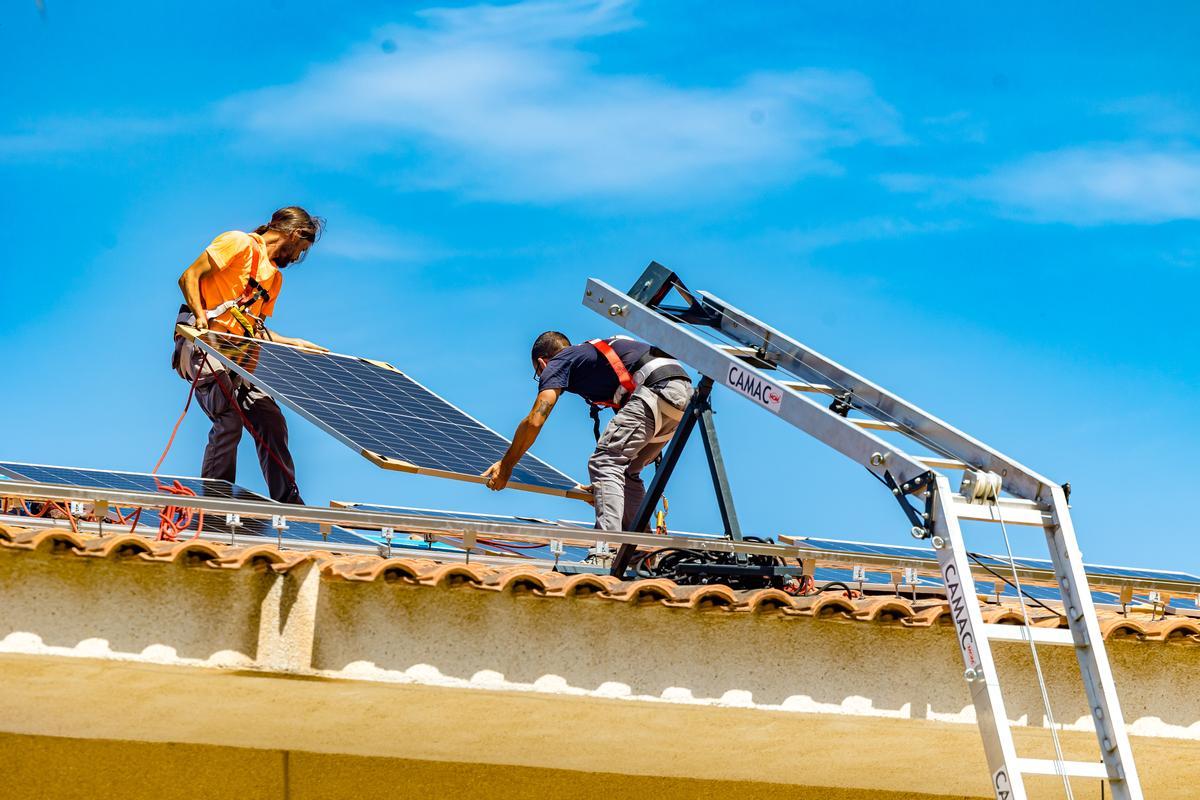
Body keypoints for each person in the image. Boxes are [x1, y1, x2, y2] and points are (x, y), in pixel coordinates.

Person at [171, 206, 326, 504]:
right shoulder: (238, 243)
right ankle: (215, 499)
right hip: (204, 346)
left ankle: (290, 504)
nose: (296, 259)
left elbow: (254, 330)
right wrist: (202, 320)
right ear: (293, 235)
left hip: (238, 353)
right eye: (300, 250)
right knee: (229, 419)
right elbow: (188, 277)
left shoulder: (274, 280)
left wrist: (293, 342)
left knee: (271, 420)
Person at [483, 332, 693, 532]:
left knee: (605, 462)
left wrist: (506, 465)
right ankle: (639, 552)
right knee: (626, 473)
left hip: (656, 387)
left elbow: (535, 421)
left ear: (542, 363)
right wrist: (606, 490)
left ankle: (605, 547)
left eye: (540, 375)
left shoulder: (559, 361)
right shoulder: (591, 361)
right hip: (680, 395)